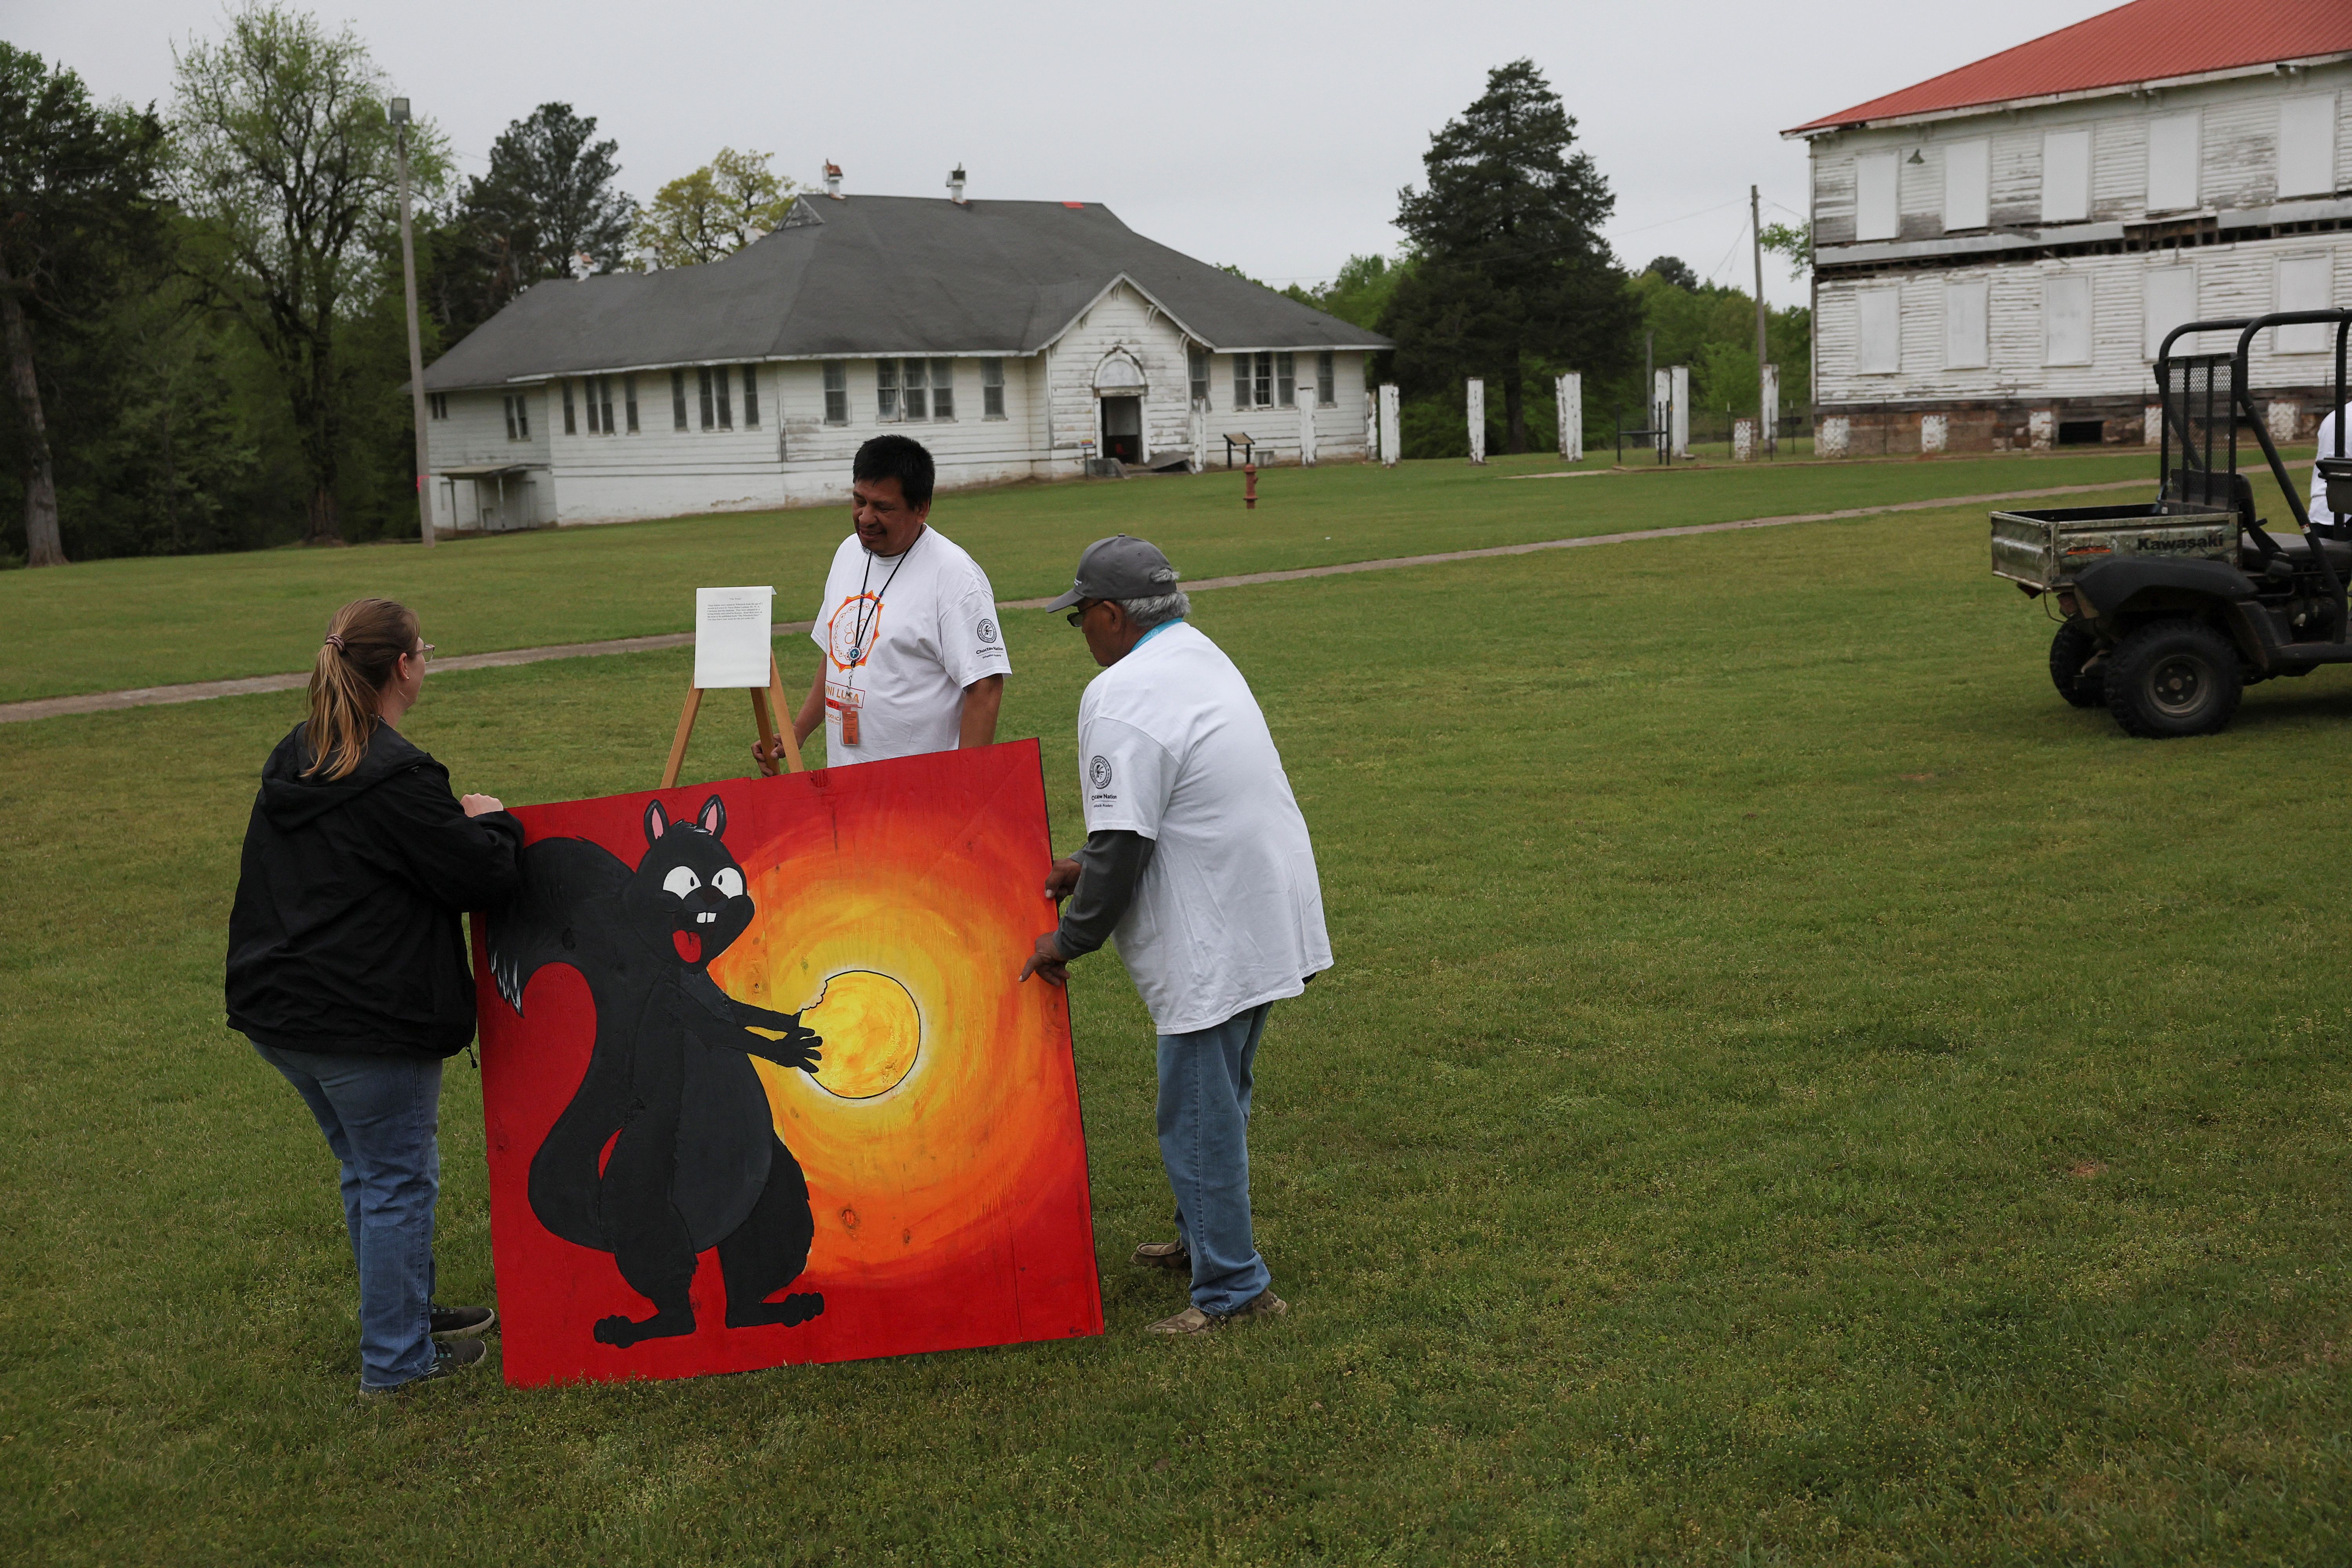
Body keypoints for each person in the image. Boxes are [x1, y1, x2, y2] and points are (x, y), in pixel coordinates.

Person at [1018, 535, 1332, 1336]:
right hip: (1259, 902)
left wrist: (1068, 940)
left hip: (1217, 927)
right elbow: (1163, 805)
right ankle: (1206, 1242)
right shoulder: (1192, 652)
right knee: (1218, 1099)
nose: (1080, 630)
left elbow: (1126, 843)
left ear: (1113, 614)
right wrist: (1085, 863)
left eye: (1080, 615)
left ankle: (1232, 1290)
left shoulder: (1122, 693)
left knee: (1196, 1112)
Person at [226, 597, 524, 1393]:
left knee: (369, 1173)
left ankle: (407, 1315)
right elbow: (480, 875)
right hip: (356, 1019)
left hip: (282, 1010)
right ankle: (396, 1362)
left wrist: (452, 825)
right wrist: (492, 822)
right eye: (422, 648)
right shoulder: (396, 775)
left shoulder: (300, 753)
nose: (425, 658)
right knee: (394, 1179)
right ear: (403, 667)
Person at [755, 435, 1008, 773]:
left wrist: (964, 783)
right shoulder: (849, 553)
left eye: (883, 507)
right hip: (847, 779)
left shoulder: (954, 575)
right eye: (859, 501)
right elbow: (837, 655)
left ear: (921, 508)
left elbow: (985, 687)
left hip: (920, 789)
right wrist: (797, 731)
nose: (865, 518)